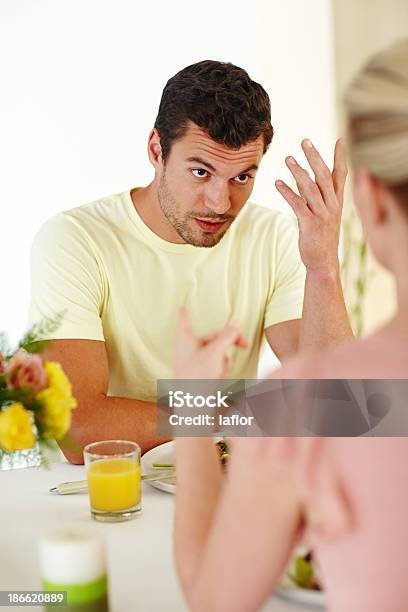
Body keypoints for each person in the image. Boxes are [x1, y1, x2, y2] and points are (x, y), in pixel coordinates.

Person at [173, 39, 408, 611]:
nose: (220, 199)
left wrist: (193, 405)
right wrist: (321, 266)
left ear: (371, 198)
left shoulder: (304, 405)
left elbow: (213, 602)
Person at [29, 60, 351, 463]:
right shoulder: (76, 240)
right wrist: (244, 411)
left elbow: (341, 407)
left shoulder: (271, 237)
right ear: (156, 150)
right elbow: (79, 430)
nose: (220, 203)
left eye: (242, 177)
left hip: (222, 489)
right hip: (104, 493)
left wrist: (324, 268)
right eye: (201, 172)